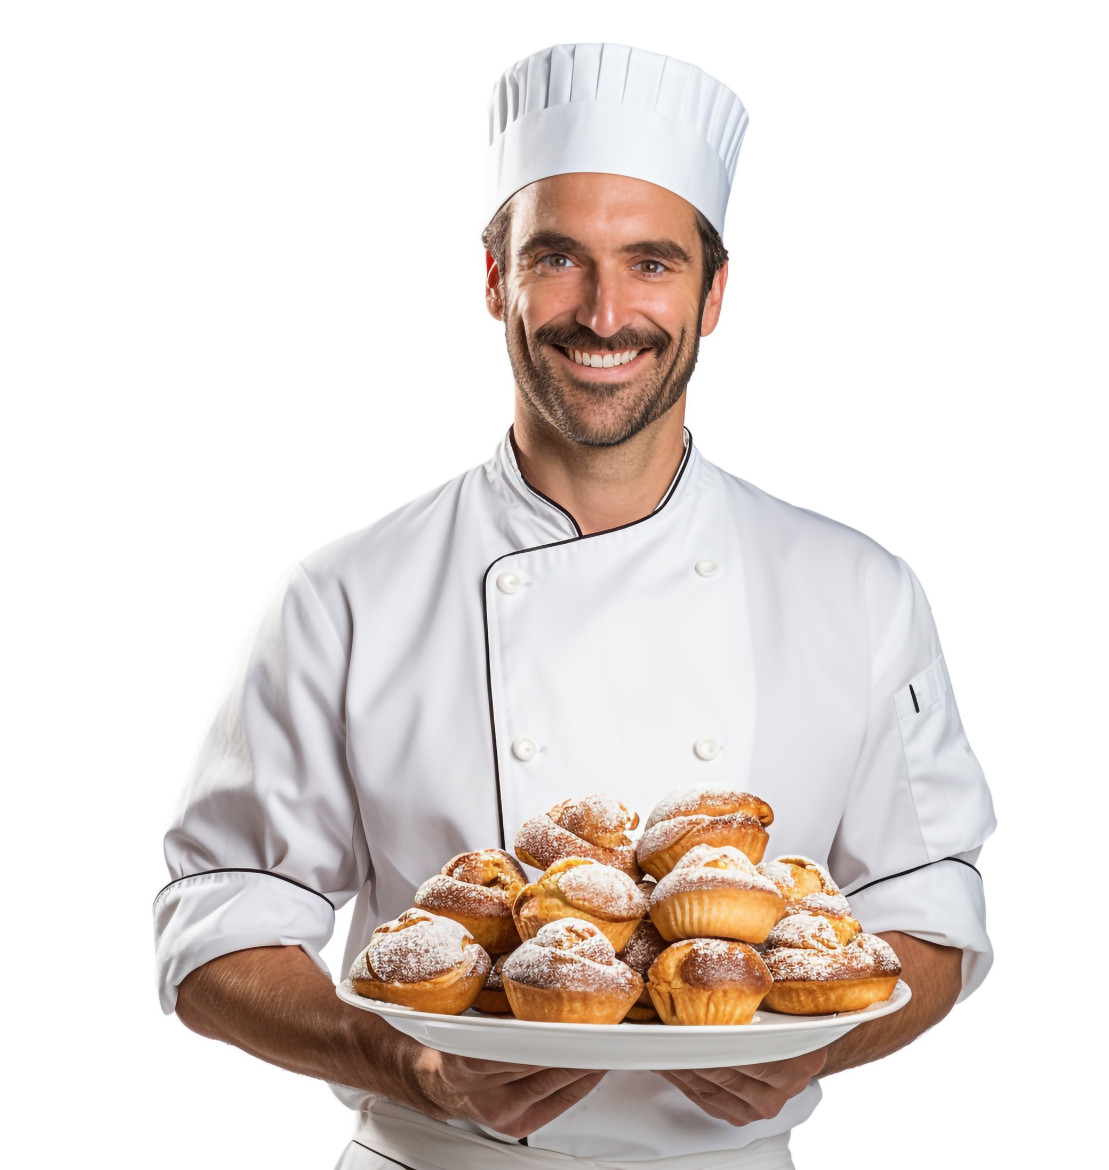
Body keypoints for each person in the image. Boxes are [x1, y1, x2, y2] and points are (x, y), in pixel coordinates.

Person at [154, 42, 997, 1170]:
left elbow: (929, 910)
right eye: (559, 258)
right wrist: (408, 1062)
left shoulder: (853, 591)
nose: (605, 312)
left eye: (650, 263)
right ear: (494, 278)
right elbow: (218, 925)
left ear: (713, 294)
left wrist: (817, 1050)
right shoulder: (346, 596)